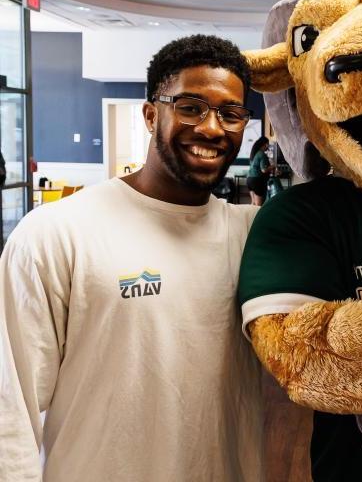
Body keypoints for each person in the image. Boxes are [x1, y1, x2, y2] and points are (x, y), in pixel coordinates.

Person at [0, 35, 264, 482]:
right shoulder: (58, 232)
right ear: (150, 114)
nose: (212, 128)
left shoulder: (254, 235)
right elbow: (11, 405)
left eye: (230, 113)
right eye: (191, 106)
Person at [246, 136, 274, 206]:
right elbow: (264, 170)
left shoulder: (254, 153)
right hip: (257, 180)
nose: (268, 146)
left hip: (249, 179)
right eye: (268, 144)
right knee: (258, 206)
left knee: (253, 203)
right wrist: (273, 166)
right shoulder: (262, 154)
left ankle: (251, 217)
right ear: (264, 144)